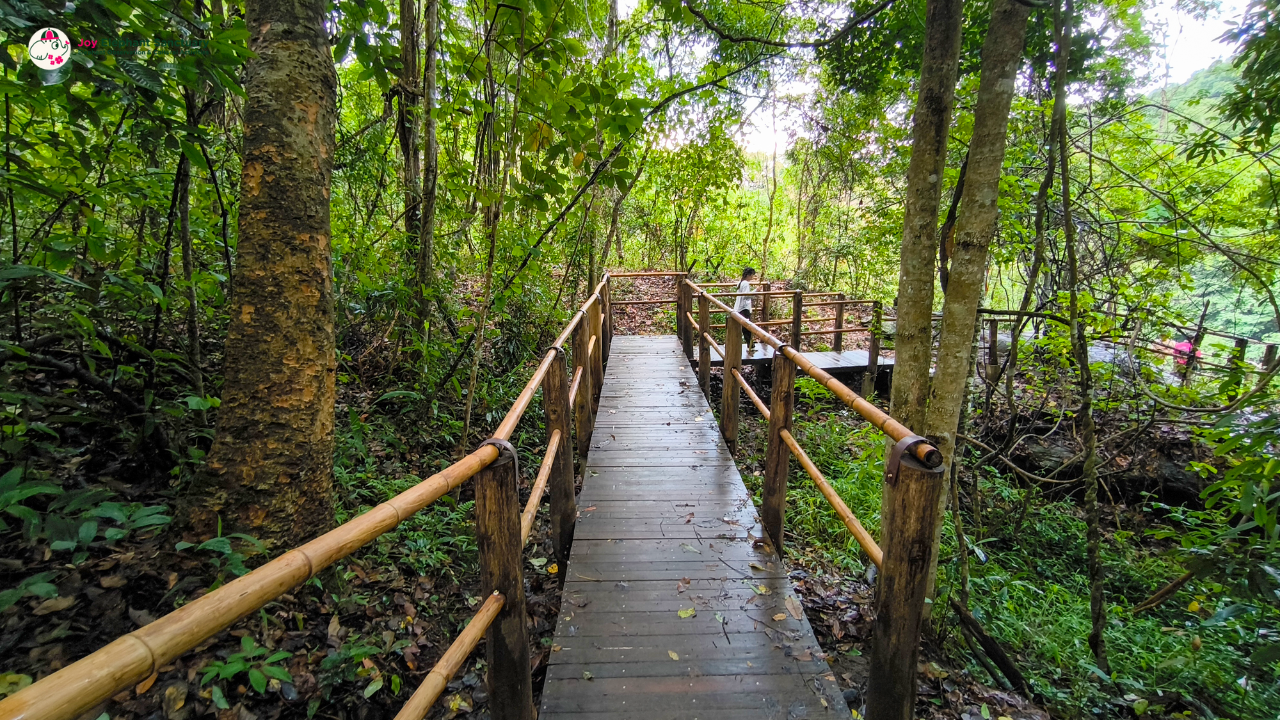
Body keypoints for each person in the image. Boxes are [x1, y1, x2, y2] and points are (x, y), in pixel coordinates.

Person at [734, 267, 757, 354]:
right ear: (748, 275)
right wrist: (756, 291)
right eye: (752, 275)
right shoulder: (745, 284)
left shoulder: (740, 283)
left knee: (745, 328)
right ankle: (750, 345)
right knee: (747, 327)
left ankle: (750, 345)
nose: (752, 277)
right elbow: (746, 296)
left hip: (739, 307)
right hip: (744, 308)